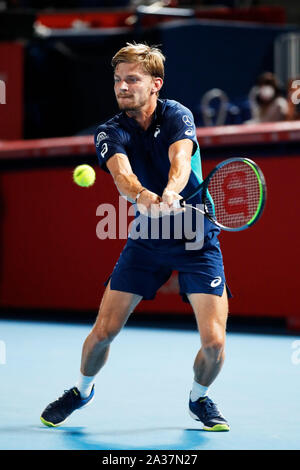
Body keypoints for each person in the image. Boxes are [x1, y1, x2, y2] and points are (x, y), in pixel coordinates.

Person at [40, 43, 231, 432]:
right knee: (103, 333)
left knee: (214, 343)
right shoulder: (110, 131)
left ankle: (199, 399)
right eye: (117, 81)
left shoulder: (178, 114)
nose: (122, 87)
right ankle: (82, 390)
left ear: (155, 84)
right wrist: (145, 197)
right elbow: (122, 175)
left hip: (196, 235)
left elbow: (180, 161)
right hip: (148, 237)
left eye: (132, 80)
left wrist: (173, 191)